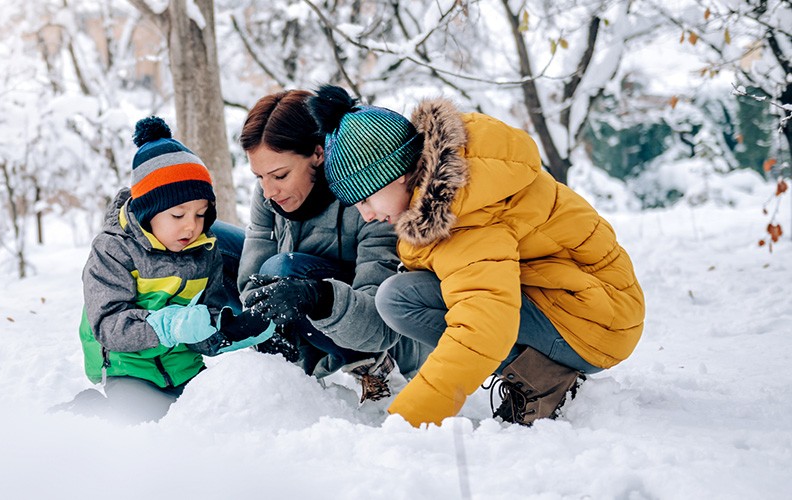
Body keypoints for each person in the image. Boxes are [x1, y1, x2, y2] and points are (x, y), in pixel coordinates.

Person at [306, 84, 645, 426]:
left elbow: (482, 326)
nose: (366, 215)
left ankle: (543, 382)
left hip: (595, 324)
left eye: (365, 199)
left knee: (402, 299)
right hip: (583, 304)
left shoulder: (464, 210)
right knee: (402, 294)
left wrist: (408, 419)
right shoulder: (456, 179)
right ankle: (541, 374)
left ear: (398, 174)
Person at [220, 89, 432, 403]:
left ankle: (373, 370)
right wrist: (260, 319)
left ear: (318, 154)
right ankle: (267, 359)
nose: (268, 191)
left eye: (280, 175)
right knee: (210, 240)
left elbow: (379, 324)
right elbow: (252, 277)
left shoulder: (371, 199)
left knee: (284, 268)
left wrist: (314, 297)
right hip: (300, 309)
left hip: (377, 333)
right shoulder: (268, 193)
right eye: (259, 177)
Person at [62, 116, 276, 424]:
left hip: (185, 367)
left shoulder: (204, 251)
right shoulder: (113, 250)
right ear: (149, 211)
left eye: (201, 214)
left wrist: (227, 331)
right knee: (142, 425)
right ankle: (91, 409)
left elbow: (206, 316)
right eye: (178, 215)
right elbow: (108, 325)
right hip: (129, 369)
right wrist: (170, 326)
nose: (191, 226)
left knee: (212, 421)